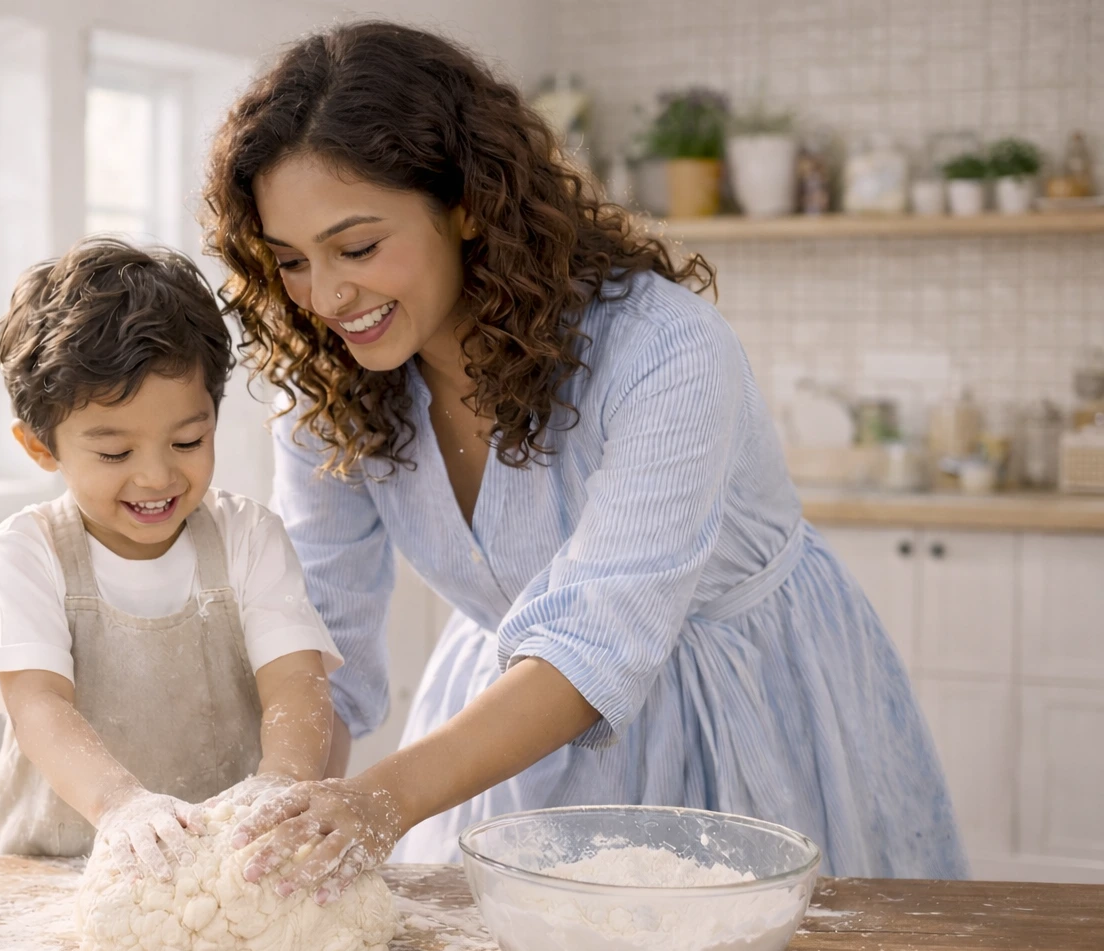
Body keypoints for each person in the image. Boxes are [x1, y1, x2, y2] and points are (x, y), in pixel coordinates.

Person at [200, 20, 968, 904]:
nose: (327, 297)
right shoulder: (329, 391)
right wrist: (282, 802)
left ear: (466, 203)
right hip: (497, 731)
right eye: (291, 261)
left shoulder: (664, 350)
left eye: (359, 247)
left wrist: (380, 801)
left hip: (744, 702)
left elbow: (596, 638)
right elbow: (318, 635)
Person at [0, 237, 343, 880]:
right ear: (39, 446)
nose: (157, 475)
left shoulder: (249, 539)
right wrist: (122, 806)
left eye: (188, 440)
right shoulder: (30, 553)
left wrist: (280, 784)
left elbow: (297, 684)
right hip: (53, 870)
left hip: (220, 868)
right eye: (115, 454)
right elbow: (39, 705)